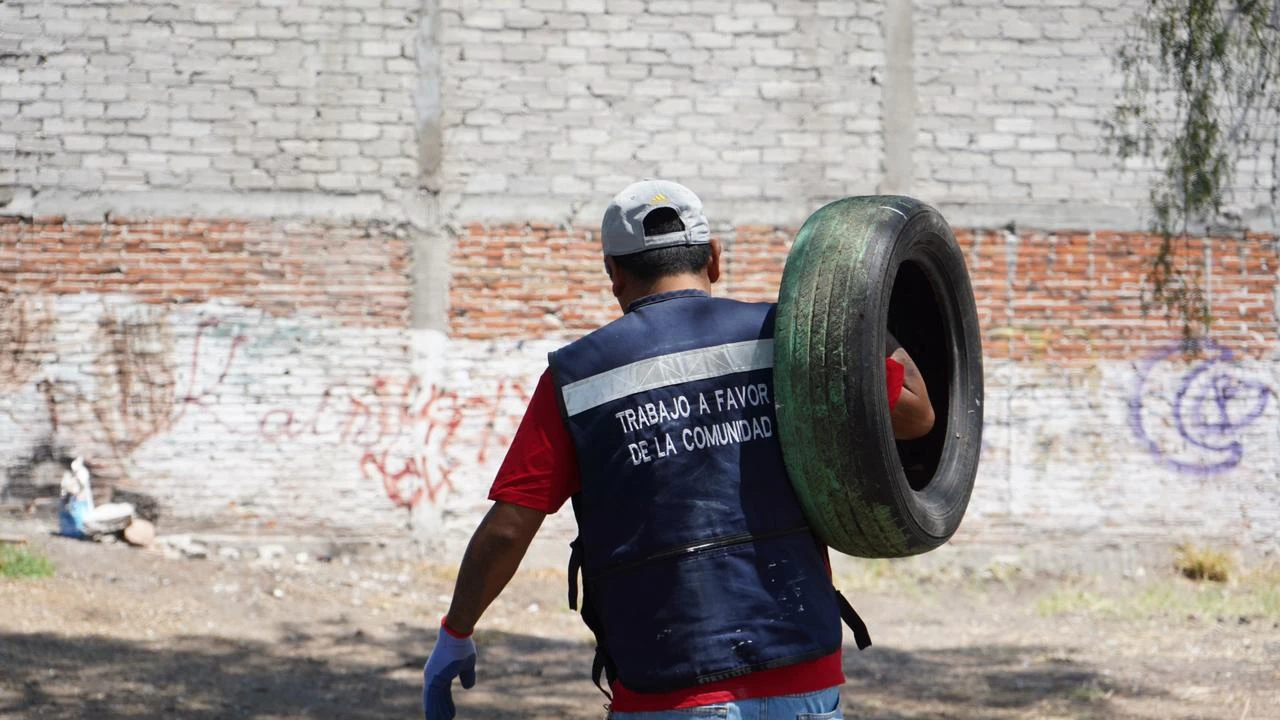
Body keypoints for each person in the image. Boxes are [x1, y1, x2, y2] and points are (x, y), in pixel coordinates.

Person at [422, 180, 935, 720]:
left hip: (669, 683)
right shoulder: (789, 340)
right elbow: (915, 412)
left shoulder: (575, 379)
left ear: (613, 273)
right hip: (801, 670)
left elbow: (509, 528)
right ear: (714, 258)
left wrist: (456, 631)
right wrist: (859, 309)